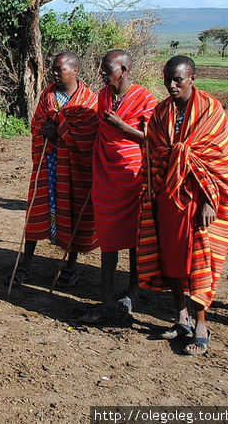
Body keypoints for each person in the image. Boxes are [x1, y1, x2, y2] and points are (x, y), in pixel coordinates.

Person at [138, 55, 228, 356]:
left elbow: (223, 160)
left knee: (198, 260)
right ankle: (180, 316)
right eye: (167, 79)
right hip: (167, 197)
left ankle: (202, 323)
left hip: (198, 200)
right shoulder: (160, 112)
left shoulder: (211, 111)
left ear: (192, 77)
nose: (171, 85)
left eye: (177, 79)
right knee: (172, 259)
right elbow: (152, 154)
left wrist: (210, 201)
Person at [15, 51, 98, 287]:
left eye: (59, 69)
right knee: (35, 211)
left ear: (74, 71)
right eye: (53, 68)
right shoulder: (48, 95)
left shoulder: (89, 101)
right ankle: (25, 265)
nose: (54, 72)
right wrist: (45, 129)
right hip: (47, 163)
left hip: (73, 168)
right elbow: (37, 122)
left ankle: (70, 266)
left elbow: (88, 136)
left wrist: (61, 129)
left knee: (73, 212)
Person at [85, 50, 157, 322]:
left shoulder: (145, 99)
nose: (102, 73)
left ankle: (132, 291)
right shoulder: (104, 96)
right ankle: (106, 297)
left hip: (132, 177)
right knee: (108, 236)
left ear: (124, 70)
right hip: (105, 175)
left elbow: (152, 138)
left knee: (134, 238)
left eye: (107, 69)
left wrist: (123, 127)